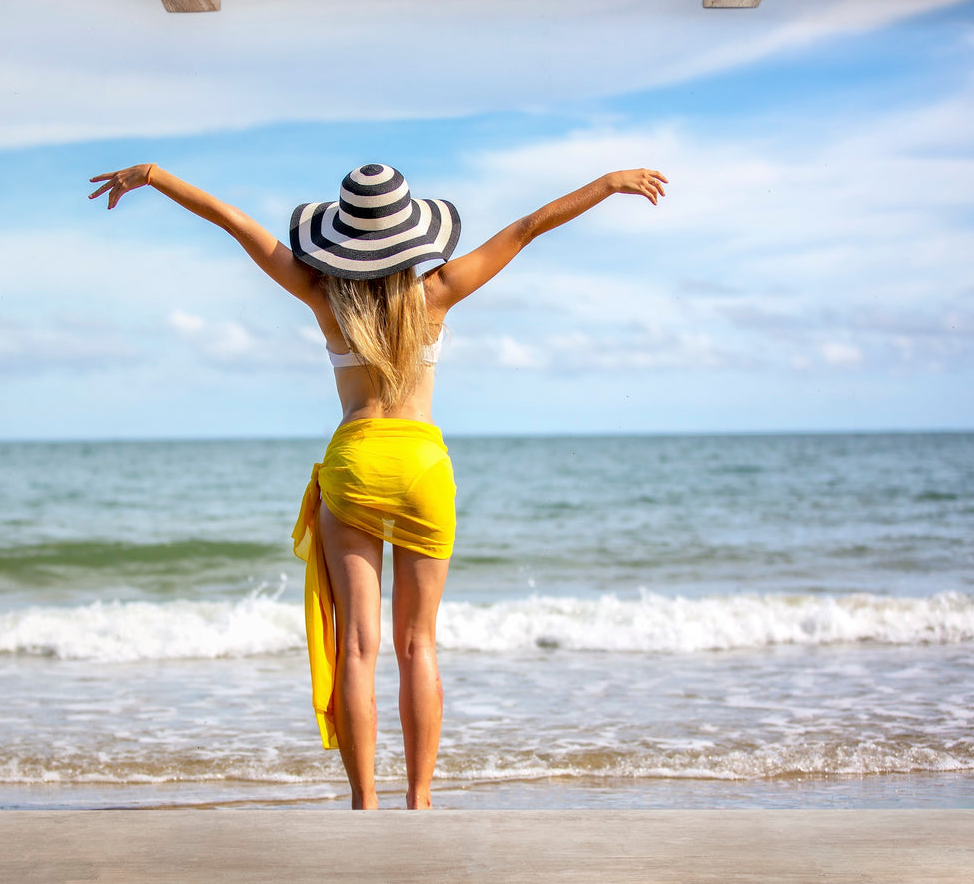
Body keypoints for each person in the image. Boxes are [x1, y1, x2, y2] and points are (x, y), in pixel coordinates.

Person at [90, 160, 667, 809]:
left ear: (343, 237)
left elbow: (235, 223)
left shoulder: (322, 295)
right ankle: (418, 800)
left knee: (358, 647)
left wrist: (155, 177)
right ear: (411, 235)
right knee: (418, 642)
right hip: (422, 465)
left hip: (356, 462)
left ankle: (365, 803)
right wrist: (608, 184)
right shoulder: (439, 291)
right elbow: (528, 226)